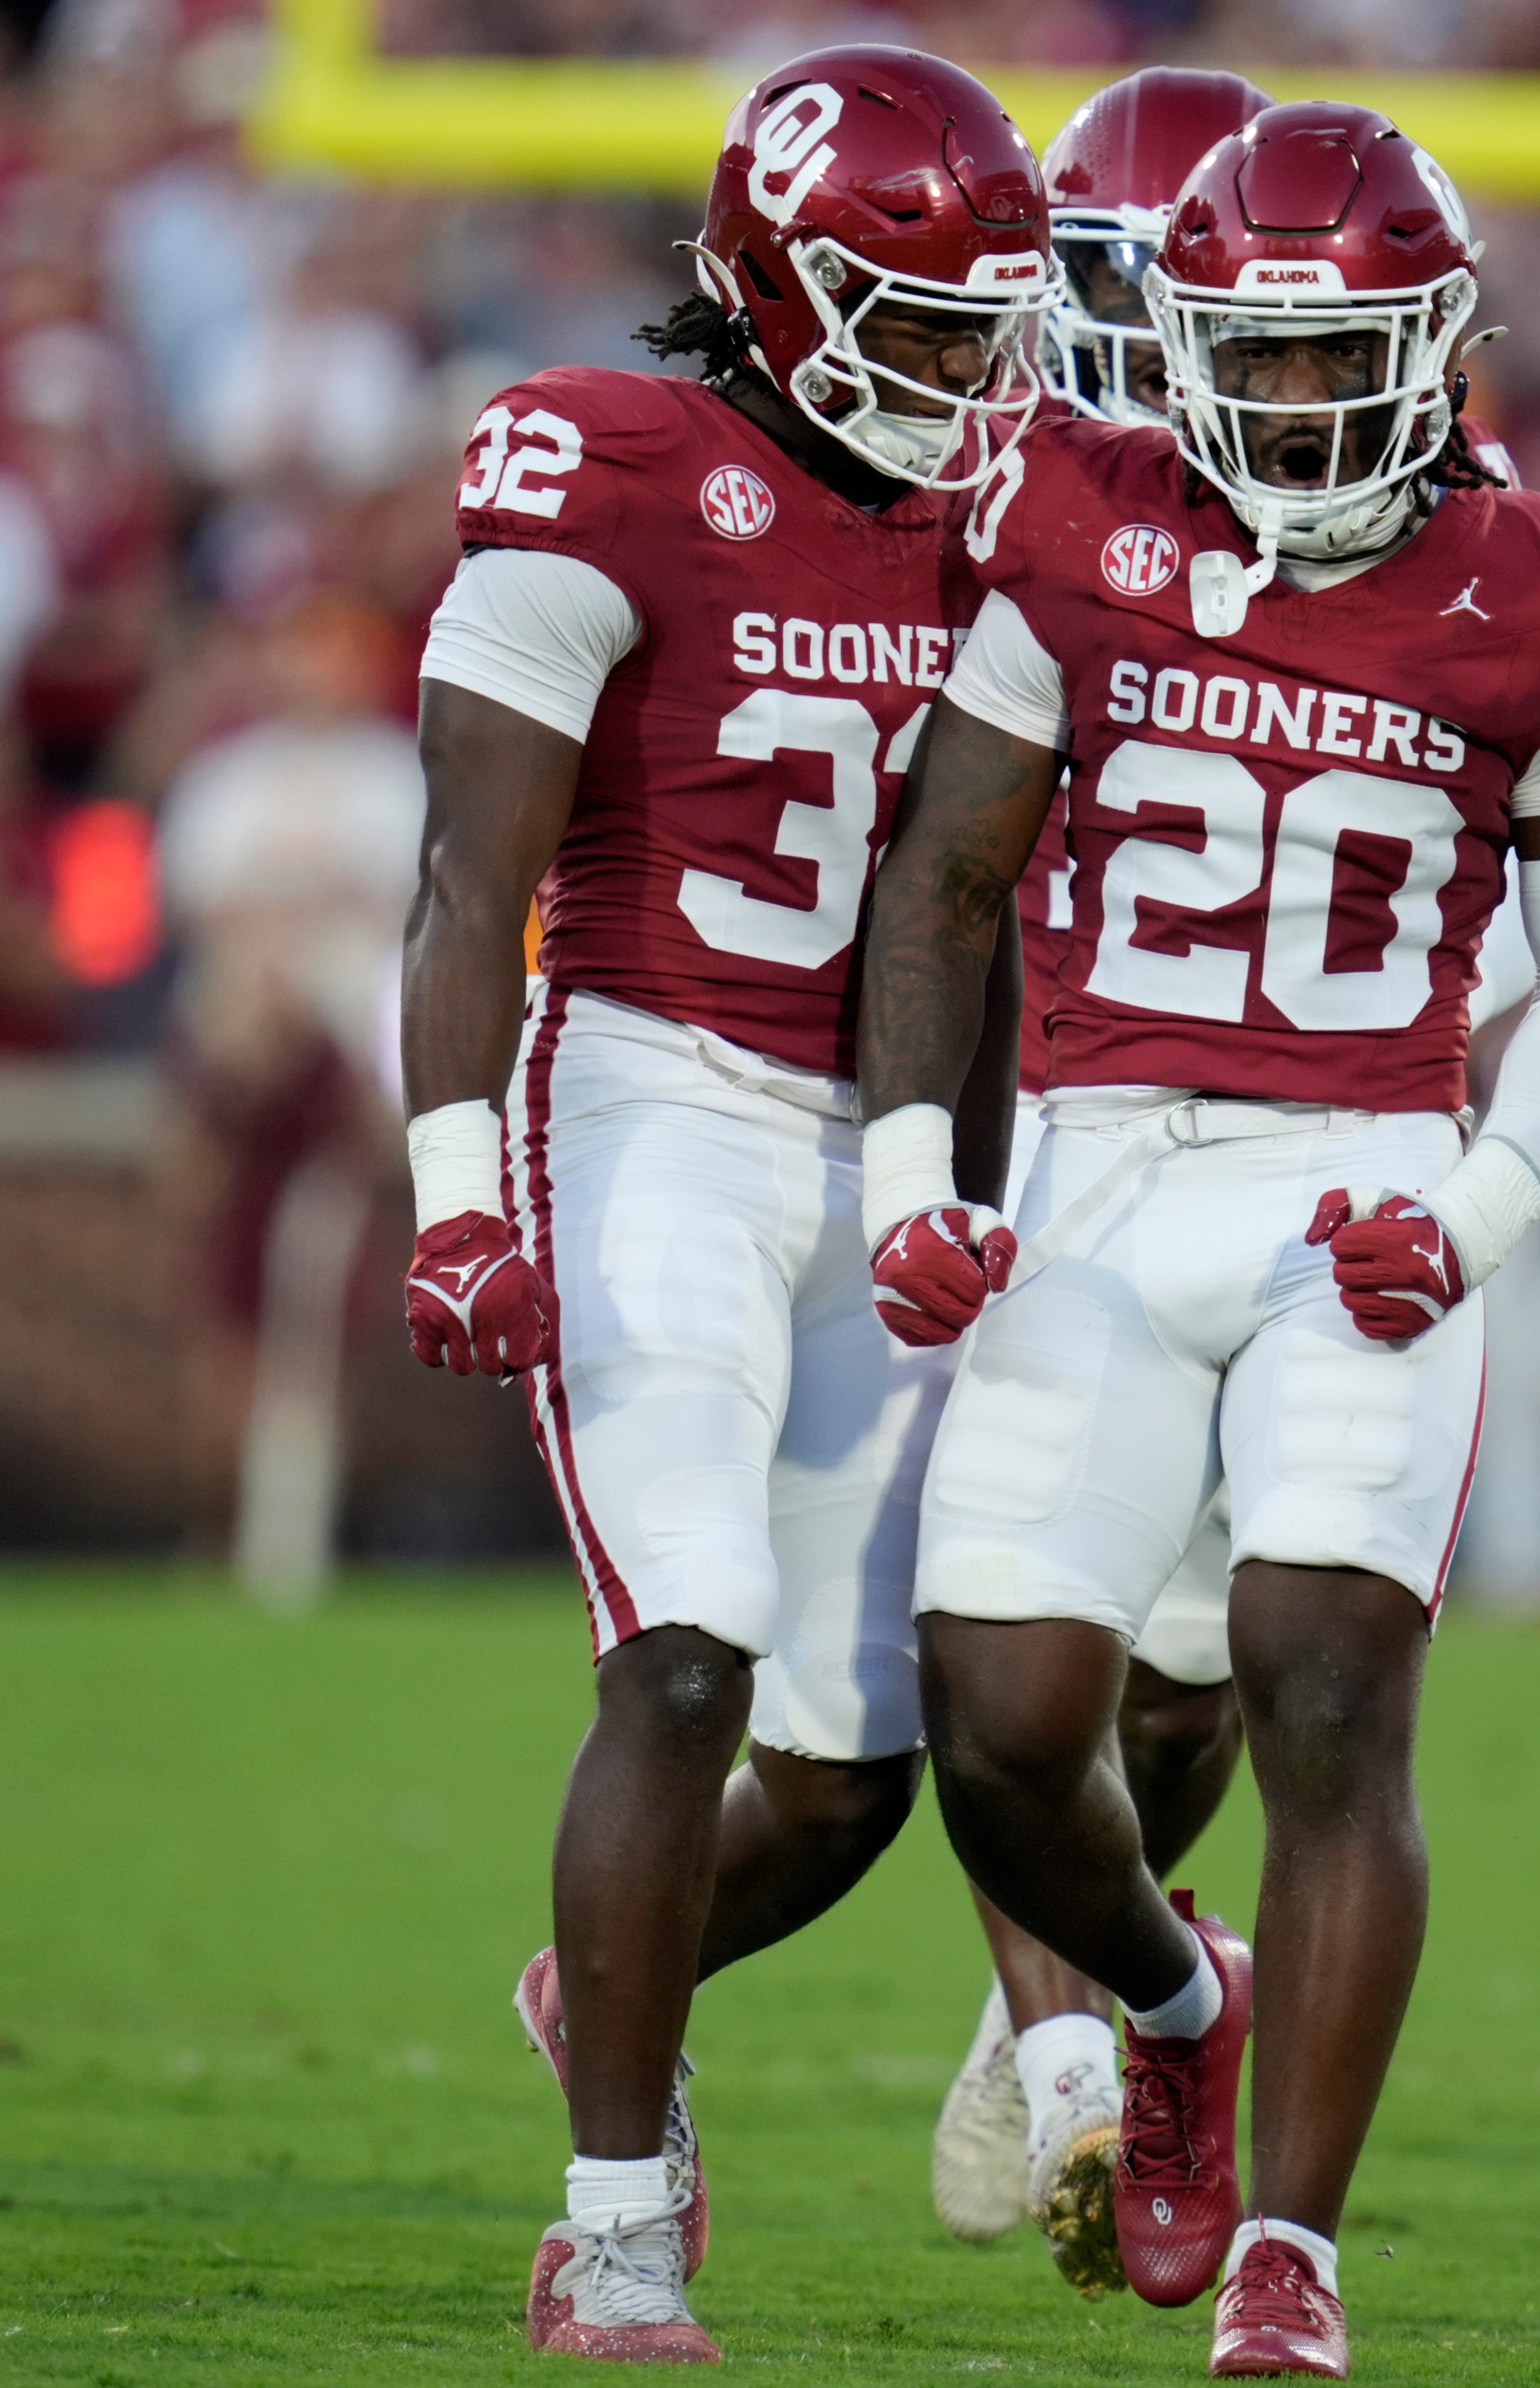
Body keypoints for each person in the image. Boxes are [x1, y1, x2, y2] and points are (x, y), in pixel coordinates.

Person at [857, 101, 1540, 2378]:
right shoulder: (1075, 515)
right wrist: (913, 1175)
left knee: (1320, 1669)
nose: (1298, 405)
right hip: (1110, 1164)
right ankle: (1170, 2001)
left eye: (1343, 361)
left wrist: (1485, 1209)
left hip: (1363, 1179)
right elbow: (942, 871)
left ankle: (1289, 2259)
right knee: (1008, 1723)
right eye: (1257, 356)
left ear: (1433, 346)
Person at [395, 47, 1052, 2362]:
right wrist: (458, 1188)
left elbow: (976, 908)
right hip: (652, 1096)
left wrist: (970, 1180)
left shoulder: (995, 507)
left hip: (866, 1130)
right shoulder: (606, 458)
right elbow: (474, 874)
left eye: (997, 319)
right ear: (784, 289)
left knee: (864, 1770)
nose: (973, 369)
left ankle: (594, 1994)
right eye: (928, 313)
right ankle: (615, 2216)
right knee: (679, 1654)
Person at [925, 61, 1275, 2292]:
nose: (1118, 337)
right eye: (1090, 289)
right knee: (986, 1649)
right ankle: (1083, 2062)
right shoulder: (973, 477)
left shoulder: (1397, 502)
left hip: (1281, 1137)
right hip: (1019, 1116)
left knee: (1188, 1674)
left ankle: (1063, 1970)